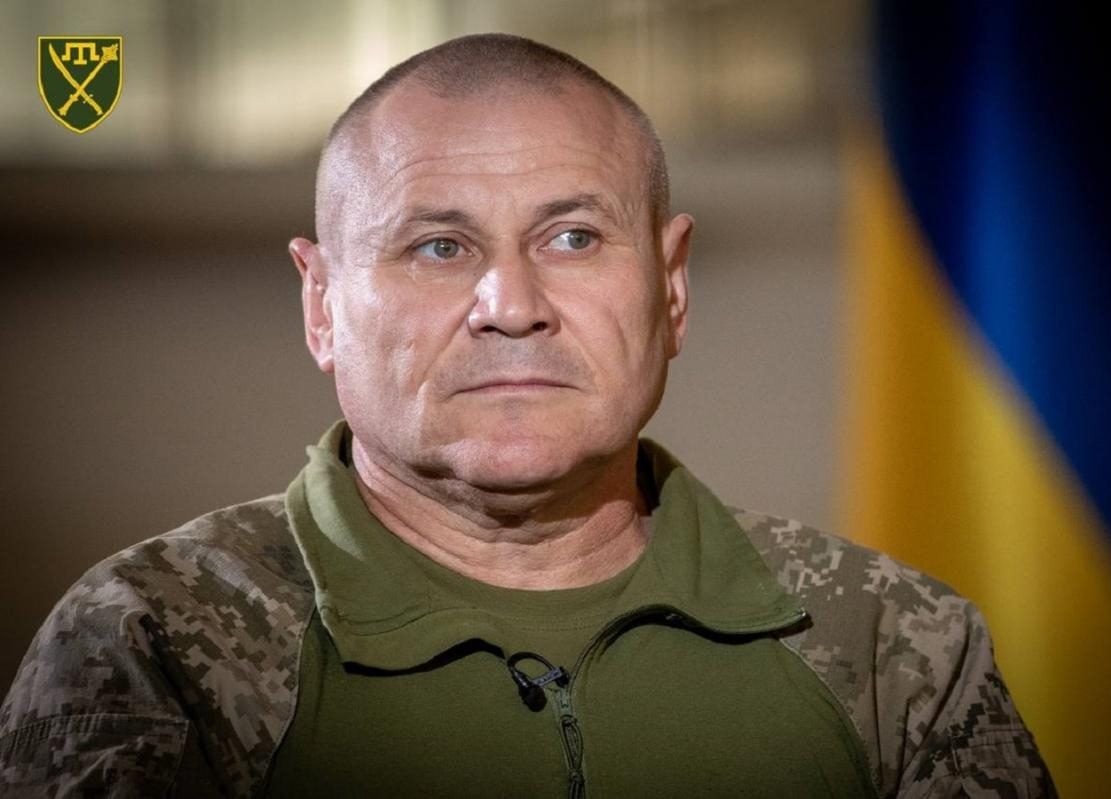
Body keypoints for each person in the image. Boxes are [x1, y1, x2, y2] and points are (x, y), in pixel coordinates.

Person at [0, 34, 1054, 797]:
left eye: (573, 238)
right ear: (322, 306)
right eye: (439, 246)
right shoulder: (154, 640)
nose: (511, 305)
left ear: (672, 286)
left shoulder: (896, 646)